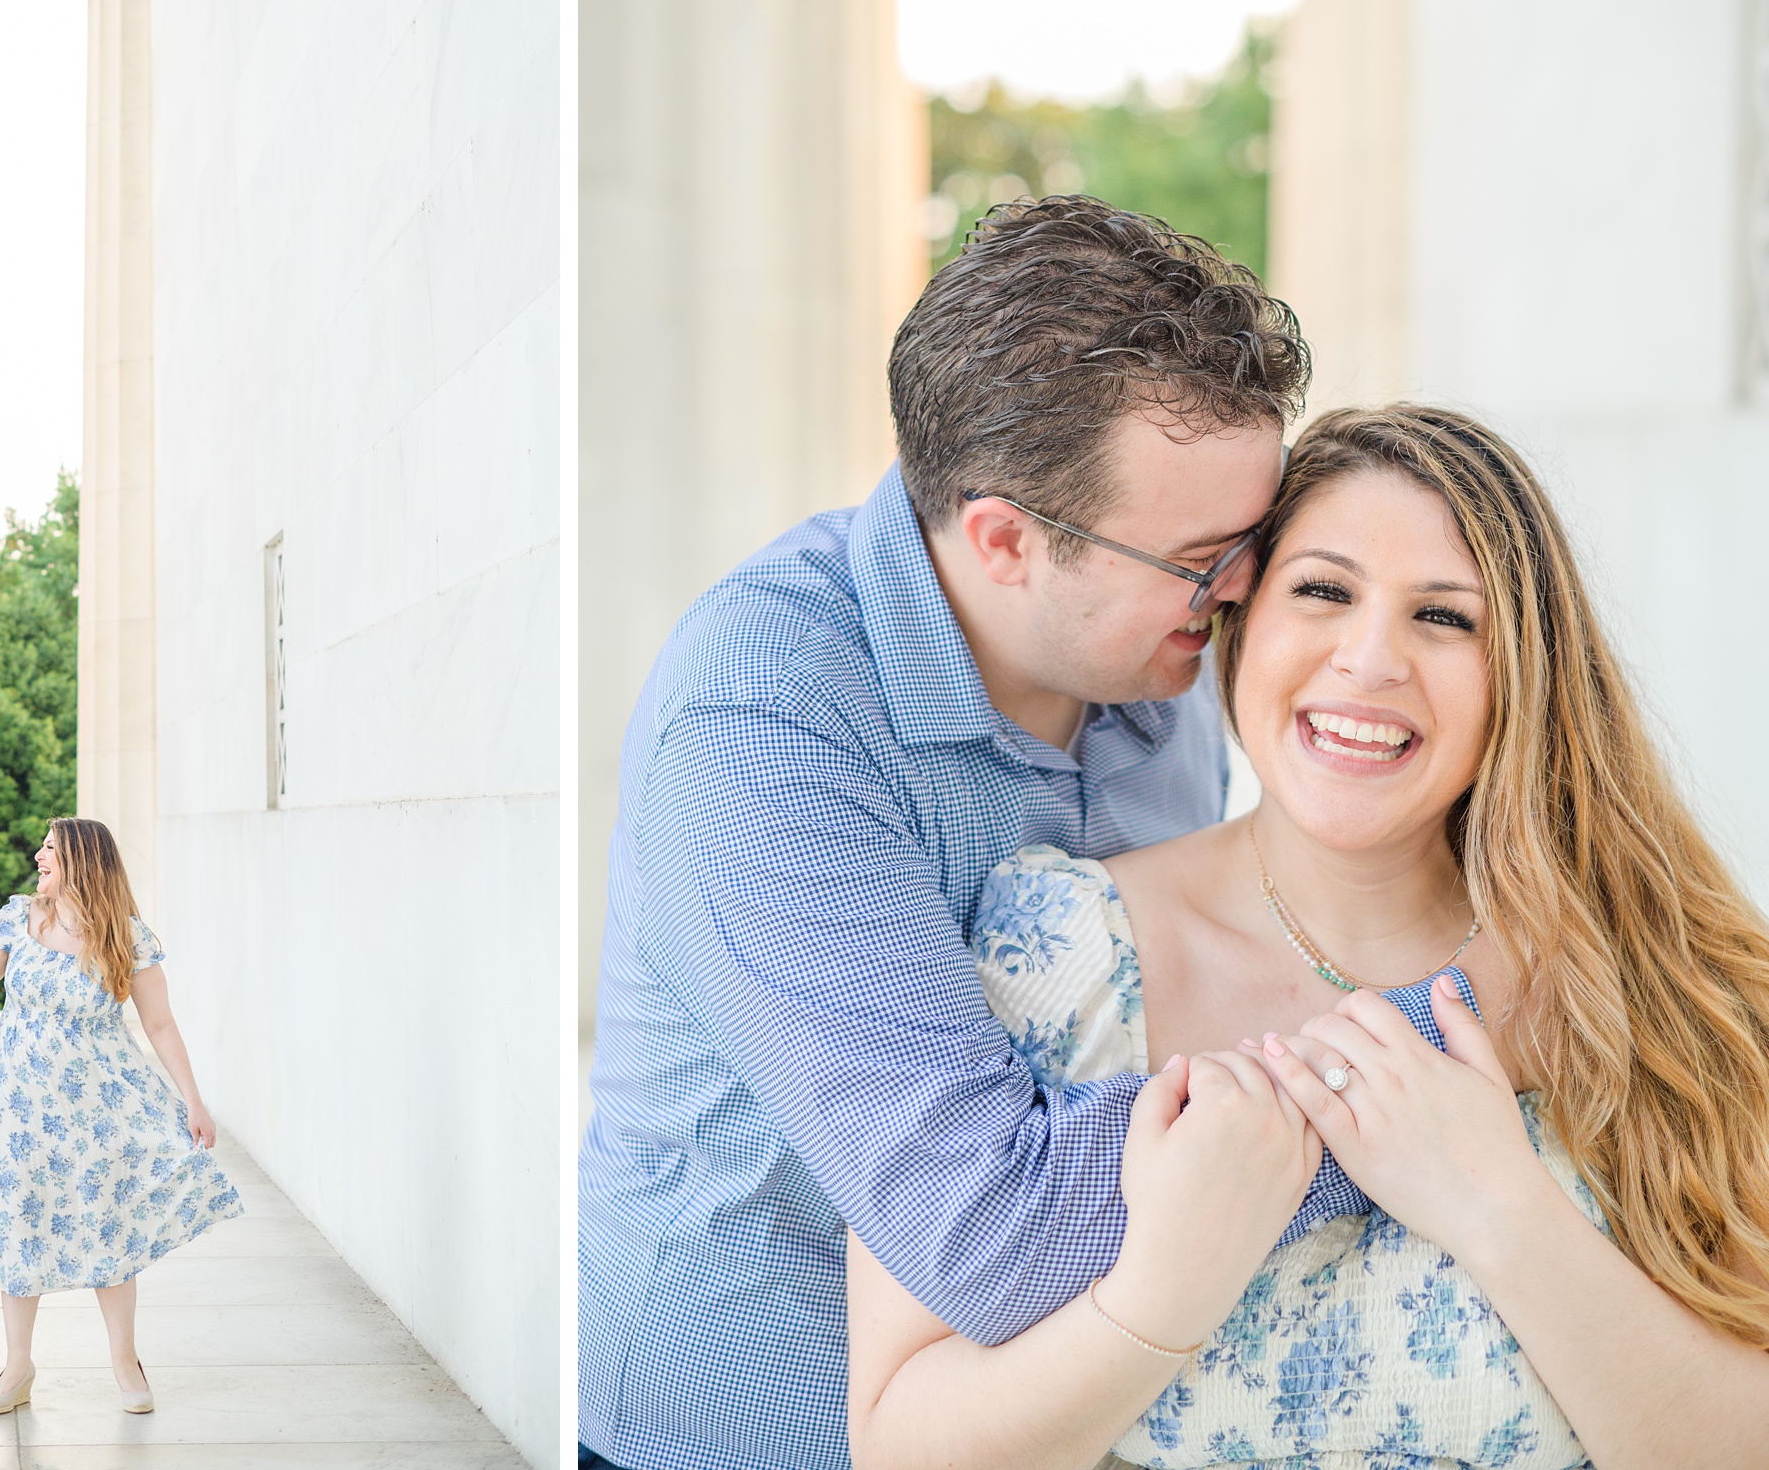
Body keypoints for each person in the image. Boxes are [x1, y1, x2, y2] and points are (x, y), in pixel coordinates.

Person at [578, 197, 1474, 1470]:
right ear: (1005, 539)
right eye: (1205, 556)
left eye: (1257, 543)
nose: (1245, 597)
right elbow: (986, 1237)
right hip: (749, 1433)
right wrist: (1453, 1057)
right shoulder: (764, 720)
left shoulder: (1162, 662)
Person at [846, 404, 1769, 1467]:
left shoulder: (1656, 980)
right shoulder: (1061, 955)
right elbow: (903, 1449)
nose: (1370, 660)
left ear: (1523, 669)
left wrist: (1501, 1209)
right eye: (1323, 591)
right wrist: (1164, 1293)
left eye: (1445, 617)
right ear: (1239, 624)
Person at [0, 816, 244, 1415]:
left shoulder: (126, 936)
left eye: (49, 850)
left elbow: (159, 1024)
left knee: (108, 1225)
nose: (36, 857)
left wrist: (193, 1100)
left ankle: (125, 1363)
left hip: (100, 1110)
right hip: (22, 1111)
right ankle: (17, 1367)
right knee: (20, 1226)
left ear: (80, 859)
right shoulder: (19, 919)